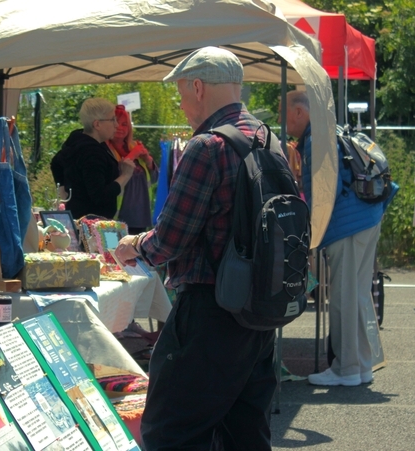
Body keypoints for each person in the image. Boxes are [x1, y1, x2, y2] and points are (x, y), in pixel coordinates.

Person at [114, 47, 278, 450]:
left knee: (170, 431)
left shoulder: (207, 146)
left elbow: (170, 238)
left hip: (209, 311)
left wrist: (133, 245)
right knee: (244, 432)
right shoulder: (268, 140)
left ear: (199, 87)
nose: (183, 104)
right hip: (259, 311)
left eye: (183, 93)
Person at [281, 90, 397, 385]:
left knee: (344, 296)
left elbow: (324, 192)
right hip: (365, 217)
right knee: (356, 293)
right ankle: (361, 365)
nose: (283, 122)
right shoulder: (327, 130)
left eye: (285, 114)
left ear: (299, 112)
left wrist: (313, 234)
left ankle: (347, 369)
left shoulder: (316, 138)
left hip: (347, 225)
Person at [50, 98, 135, 219]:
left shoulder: (79, 139)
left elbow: (56, 163)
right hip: (92, 226)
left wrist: (65, 194)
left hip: (79, 217)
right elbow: (100, 196)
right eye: (112, 120)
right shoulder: (91, 152)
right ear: (97, 124)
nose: (116, 125)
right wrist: (125, 175)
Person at [107, 104, 159, 234]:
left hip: (141, 216)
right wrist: (133, 155)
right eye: (116, 122)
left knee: (135, 254)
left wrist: (148, 160)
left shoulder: (135, 146)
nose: (120, 127)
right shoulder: (105, 149)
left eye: (124, 124)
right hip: (117, 217)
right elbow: (114, 175)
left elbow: (154, 179)